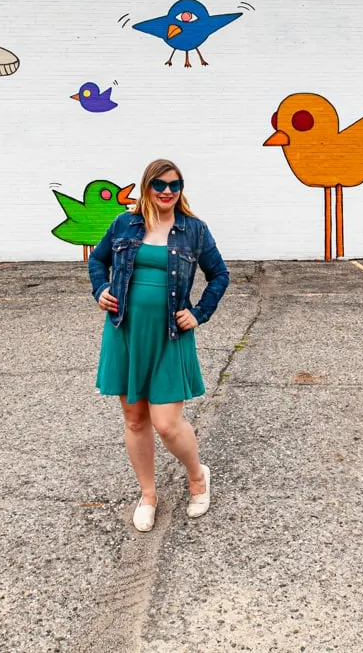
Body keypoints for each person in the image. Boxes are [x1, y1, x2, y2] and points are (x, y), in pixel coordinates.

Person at [88, 158, 230, 532]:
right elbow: (98, 260)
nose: (168, 192)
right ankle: (148, 494)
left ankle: (198, 476)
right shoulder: (125, 224)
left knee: (166, 424)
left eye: (175, 185)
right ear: (147, 186)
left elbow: (219, 274)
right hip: (125, 332)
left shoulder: (193, 230)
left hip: (169, 334)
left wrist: (199, 313)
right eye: (160, 185)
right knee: (135, 419)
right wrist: (100, 290)